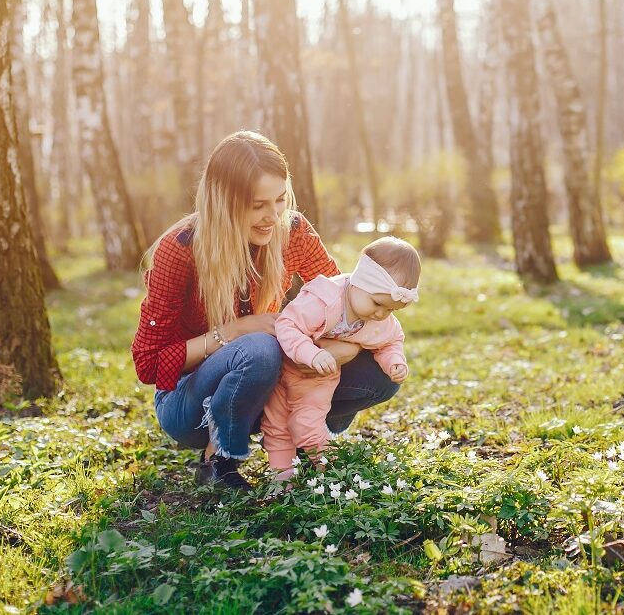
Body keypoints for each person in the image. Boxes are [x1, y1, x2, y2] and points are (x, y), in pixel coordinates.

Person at [131, 131, 400, 489]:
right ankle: (218, 462)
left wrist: (332, 351)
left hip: (273, 382)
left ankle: (305, 435)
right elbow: (149, 364)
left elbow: (346, 306)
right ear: (223, 202)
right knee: (260, 348)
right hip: (188, 402)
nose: (272, 216)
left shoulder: (293, 232)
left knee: (378, 376)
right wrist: (237, 330)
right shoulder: (179, 250)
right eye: (257, 205)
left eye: (279, 200)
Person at [262, 237, 419, 480]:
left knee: (307, 424)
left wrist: (395, 361)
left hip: (317, 381)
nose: (381, 314)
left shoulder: (379, 320)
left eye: (391, 310)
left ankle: (333, 473)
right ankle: (282, 483)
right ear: (359, 283)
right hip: (284, 367)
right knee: (276, 428)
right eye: (377, 304)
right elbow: (287, 324)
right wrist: (310, 353)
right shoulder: (323, 299)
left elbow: (391, 340)